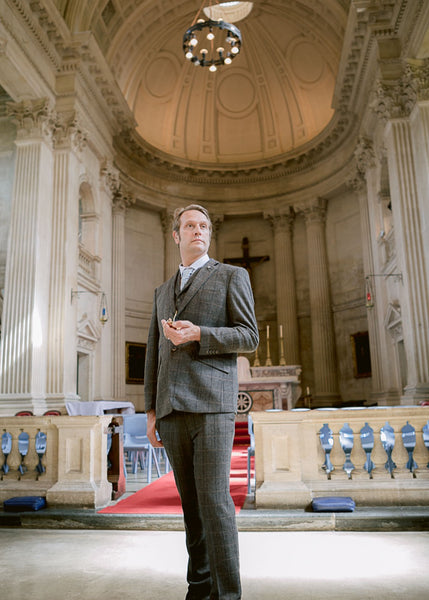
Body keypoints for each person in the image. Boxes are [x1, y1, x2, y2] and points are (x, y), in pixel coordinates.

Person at [144, 204, 259, 600]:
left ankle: (228, 594)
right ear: (176, 235)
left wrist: (199, 334)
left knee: (215, 502)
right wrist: (151, 411)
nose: (198, 230)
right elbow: (154, 353)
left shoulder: (231, 275)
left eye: (204, 225)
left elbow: (249, 337)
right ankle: (200, 587)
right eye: (190, 225)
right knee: (191, 507)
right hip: (172, 409)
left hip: (212, 404)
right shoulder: (162, 291)